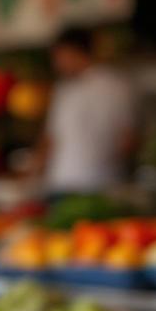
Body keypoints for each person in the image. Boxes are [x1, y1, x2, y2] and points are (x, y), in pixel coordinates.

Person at [34, 28, 137, 196]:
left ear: (71, 52)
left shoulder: (114, 86)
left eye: (58, 56)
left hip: (101, 185)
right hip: (60, 183)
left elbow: (128, 139)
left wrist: (105, 165)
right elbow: (51, 139)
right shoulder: (64, 90)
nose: (56, 63)